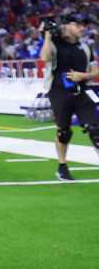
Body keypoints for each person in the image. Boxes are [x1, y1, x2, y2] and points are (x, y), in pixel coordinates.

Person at [39, 14, 99, 181]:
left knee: (96, 130)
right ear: (66, 26)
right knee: (64, 132)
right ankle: (62, 165)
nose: (83, 28)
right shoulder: (55, 44)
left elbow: (95, 72)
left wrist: (84, 76)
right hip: (59, 92)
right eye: (78, 24)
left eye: (84, 25)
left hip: (81, 92)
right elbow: (45, 58)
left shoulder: (86, 48)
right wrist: (47, 35)